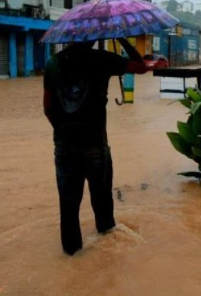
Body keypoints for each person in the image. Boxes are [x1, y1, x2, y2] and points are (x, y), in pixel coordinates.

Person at [43, 39, 147, 256]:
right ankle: (107, 260)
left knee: (68, 210)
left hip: (64, 148)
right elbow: (141, 66)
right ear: (91, 37)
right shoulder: (102, 59)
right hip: (95, 147)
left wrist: (62, 130)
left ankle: (72, 256)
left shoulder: (53, 63)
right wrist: (122, 39)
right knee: (103, 209)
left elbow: (47, 107)